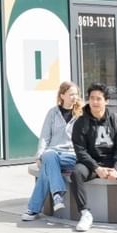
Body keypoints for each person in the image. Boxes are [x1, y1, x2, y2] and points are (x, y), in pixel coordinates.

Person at [71, 82, 117, 233]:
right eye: (92, 98)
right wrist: (97, 168)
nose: (95, 102)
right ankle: (85, 213)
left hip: (113, 161)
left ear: (106, 101)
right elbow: (80, 151)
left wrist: (116, 167)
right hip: (91, 162)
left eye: (99, 98)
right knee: (76, 173)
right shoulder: (80, 122)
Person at [21, 81, 82, 221]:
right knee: (48, 156)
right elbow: (44, 136)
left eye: (76, 94)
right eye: (71, 94)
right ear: (62, 95)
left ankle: (34, 209)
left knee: (47, 166)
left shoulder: (81, 114)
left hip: (72, 156)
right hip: (53, 153)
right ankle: (57, 196)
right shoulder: (52, 113)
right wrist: (39, 154)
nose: (75, 97)